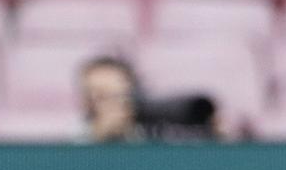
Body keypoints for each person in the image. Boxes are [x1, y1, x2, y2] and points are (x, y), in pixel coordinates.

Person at [79, 55, 220, 144]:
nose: (115, 104)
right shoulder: (76, 138)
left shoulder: (153, 130)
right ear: (85, 100)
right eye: (102, 95)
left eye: (121, 95)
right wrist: (99, 136)